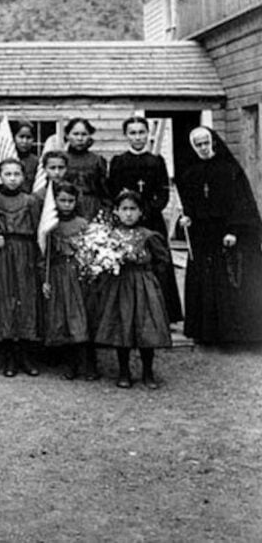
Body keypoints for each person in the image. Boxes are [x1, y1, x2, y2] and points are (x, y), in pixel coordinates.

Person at [178, 126, 262, 345]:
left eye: (206, 143)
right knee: (205, 282)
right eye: (198, 145)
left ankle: (232, 335)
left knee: (227, 282)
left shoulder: (229, 169)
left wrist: (233, 230)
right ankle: (207, 333)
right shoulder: (190, 173)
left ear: (213, 142)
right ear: (193, 147)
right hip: (202, 236)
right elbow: (189, 206)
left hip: (225, 235)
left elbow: (242, 203)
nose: (203, 148)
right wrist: (186, 220)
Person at [94, 191, 173, 388]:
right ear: (116, 212)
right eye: (124, 209)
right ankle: (124, 371)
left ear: (140, 212)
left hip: (143, 286)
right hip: (120, 286)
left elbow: (162, 261)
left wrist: (151, 279)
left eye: (133, 209)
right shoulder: (109, 236)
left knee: (146, 328)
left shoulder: (149, 236)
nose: (128, 214)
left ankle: (147, 372)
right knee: (122, 327)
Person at [108, 116, 182, 324]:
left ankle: (162, 313)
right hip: (126, 220)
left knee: (158, 262)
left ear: (147, 134)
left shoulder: (156, 161)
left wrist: (147, 210)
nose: (137, 137)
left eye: (141, 132)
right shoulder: (119, 162)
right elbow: (113, 190)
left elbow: (163, 193)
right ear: (126, 135)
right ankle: (126, 312)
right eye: (132, 133)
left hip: (151, 220)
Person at [0, 158, 42, 377]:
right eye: (8, 174)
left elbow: (38, 231)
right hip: (2, 253)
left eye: (17, 174)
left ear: (23, 176)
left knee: (24, 301)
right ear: (0, 177)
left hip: (24, 252)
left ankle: (25, 356)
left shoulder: (31, 200)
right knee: (5, 300)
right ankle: (8, 357)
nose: (13, 178)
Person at [40, 182, 91, 380]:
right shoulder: (50, 225)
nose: (67, 204)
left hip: (78, 274)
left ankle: (86, 363)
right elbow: (44, 256)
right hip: (58, 274)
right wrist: (44, 279)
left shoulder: (82, 224)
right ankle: (69, 364)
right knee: (62, 317)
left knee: (80, 316)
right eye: (62, 200)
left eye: (71, 200)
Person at [63, 117, 109, 220]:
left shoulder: (97, 160)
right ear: (67, 135)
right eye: (75, 134)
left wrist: (104, 211)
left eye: (84, 134)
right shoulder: (61, 159)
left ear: (89, 136)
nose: (80, 138)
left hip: (91, 207)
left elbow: (104, 191)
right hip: (67, 206)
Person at [11, 120, 39, 193]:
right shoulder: (8, 157)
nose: (24, 141)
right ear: (14, 137)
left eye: (28, 137)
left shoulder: (36, 161)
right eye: (21, 137)